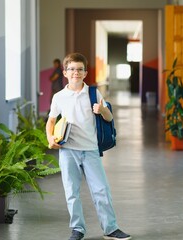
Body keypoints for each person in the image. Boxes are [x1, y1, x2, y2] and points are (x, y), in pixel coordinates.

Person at [46, 53, 131, 240]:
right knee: (71, 192)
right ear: (65, 72)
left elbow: (109, 118)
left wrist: (102, 110)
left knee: (101, 190)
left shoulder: (93, 93)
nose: (76, 72)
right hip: (68, 151)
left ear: (85, 73)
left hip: (91, 149)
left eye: (80, 69)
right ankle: (77, 229)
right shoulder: (59, 97)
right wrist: (50, 138)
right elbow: (51, 121)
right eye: (72, 69)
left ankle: (110, 228)